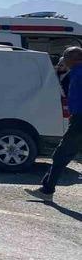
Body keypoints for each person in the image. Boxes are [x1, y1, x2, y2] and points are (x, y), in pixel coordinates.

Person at [29, 47, 82, 199]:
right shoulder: (74, 73)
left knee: (61, 154)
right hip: (77, 117)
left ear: (73, 59)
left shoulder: (76, 74)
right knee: (63, 153)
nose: (63, 60)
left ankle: (47, 190)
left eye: (65, 57)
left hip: (79, 120)